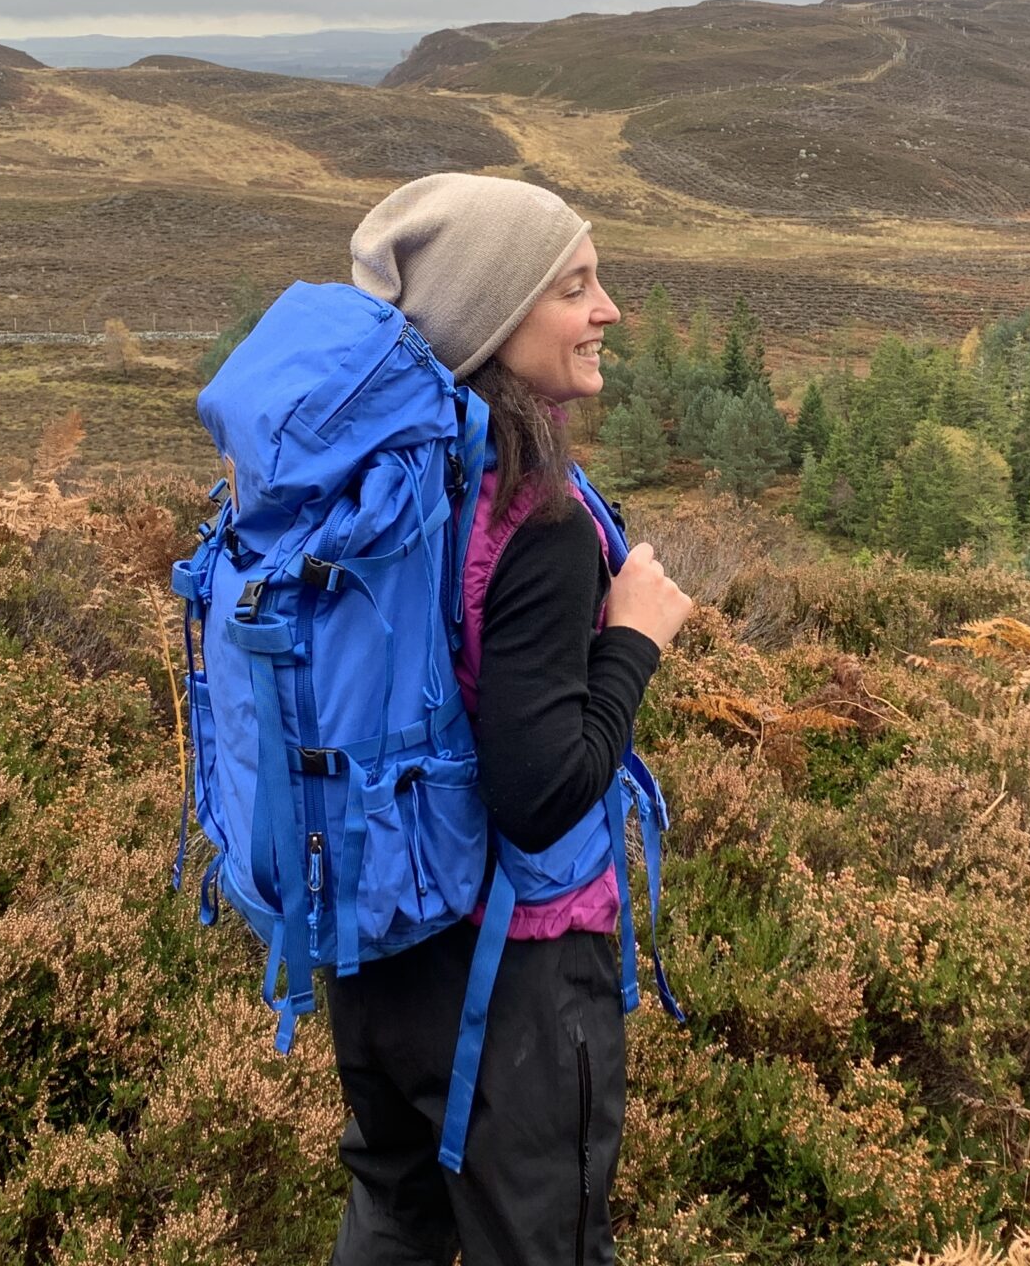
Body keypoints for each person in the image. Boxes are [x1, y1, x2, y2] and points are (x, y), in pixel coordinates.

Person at [326, 173, 694, 1265]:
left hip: (379, 931)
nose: (608, 310)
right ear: (493, 320)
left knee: (393, 1211)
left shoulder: (375, 484)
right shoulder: (531, 518)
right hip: (514, 979)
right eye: (574, 286)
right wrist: (634, 637)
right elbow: (537, 798)